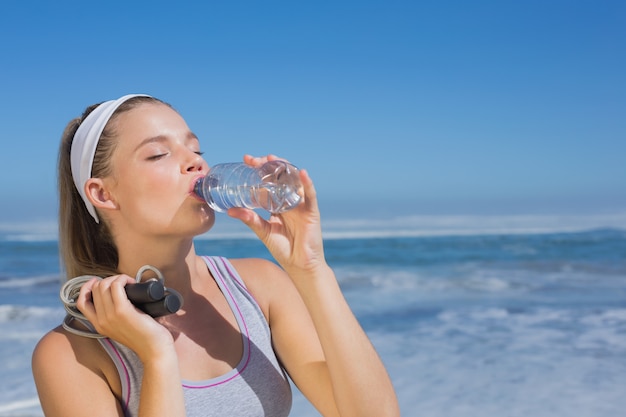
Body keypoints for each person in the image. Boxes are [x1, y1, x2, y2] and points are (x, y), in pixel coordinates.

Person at [32, 94, 400, 417]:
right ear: (103, 194)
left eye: (196, 150)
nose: (196, 164)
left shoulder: (259, 287)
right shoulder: (71, 352)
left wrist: (311, 269)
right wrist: (158, 357)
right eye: (159, 153)